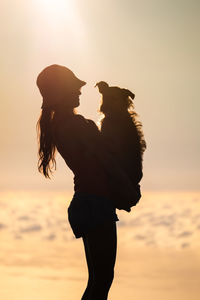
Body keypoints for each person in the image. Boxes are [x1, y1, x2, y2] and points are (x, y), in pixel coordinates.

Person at [36, 64, 137, 300]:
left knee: (98, 280)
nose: (80, 92)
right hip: (95, 202)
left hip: (86, 201)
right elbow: (105, 160)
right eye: (74, 88)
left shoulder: (61, 126)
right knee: (102, 280)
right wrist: (127, 188)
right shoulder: (76, 126)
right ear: (61, 93)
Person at [96, 81, 146, 211]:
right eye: (106, 98)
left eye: (113, 100)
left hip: (123, 178)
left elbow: (109, 150)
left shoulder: (119, 124)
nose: (107, 103)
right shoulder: (115, 122)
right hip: (123, 179)